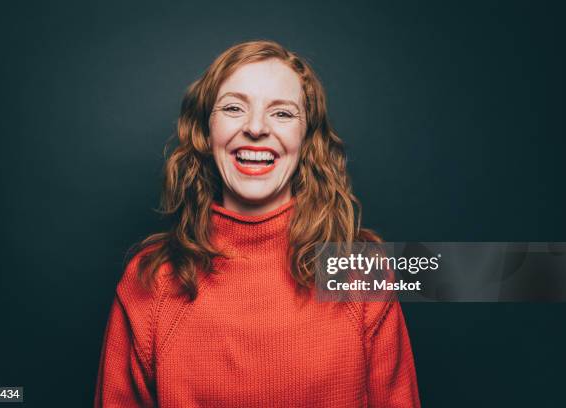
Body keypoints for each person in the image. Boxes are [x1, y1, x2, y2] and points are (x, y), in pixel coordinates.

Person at [94, 40, 421, 407]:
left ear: (307, 138)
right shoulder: (152, 279)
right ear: (206, 130)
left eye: (282, 113)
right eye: (234, 108)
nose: (255, 128)